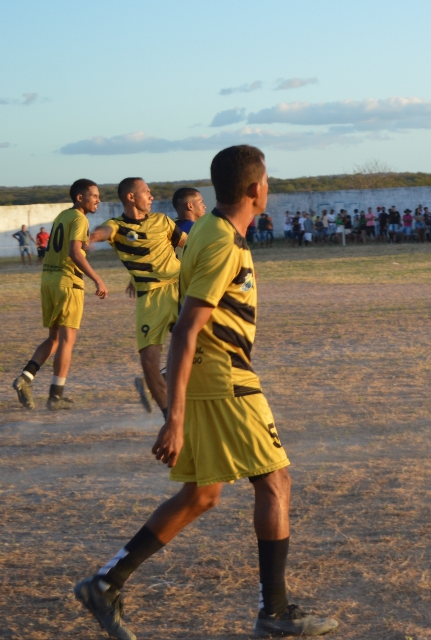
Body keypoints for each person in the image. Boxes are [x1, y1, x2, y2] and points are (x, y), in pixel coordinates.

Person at [74, 145, 338, 639]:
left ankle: (106, 584)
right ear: (255, 189)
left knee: (202, 493)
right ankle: (274, 611)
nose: (269, 187)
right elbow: (186, 330)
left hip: (209, 378)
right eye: (267, 181)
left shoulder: (210, 230)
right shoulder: (221, 242)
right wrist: (173, 418)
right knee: (275, 482)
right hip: (225, 379)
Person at [88, 178, 186, 417]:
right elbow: (105, 231)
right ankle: (169, 418)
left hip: (180, 289)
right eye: (147, 192)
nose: (152, 197)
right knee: (149, 361)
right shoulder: (118, 226)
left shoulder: (162, 221)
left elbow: (189, 243)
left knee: (201, 347)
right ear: (131, 197)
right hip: (150, 299)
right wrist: (92, 238)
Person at [12, 179, 109, 411]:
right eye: (94, 195)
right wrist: (97, 279)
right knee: (67, 340)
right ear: (80, 197)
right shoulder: (80, 218)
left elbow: (68, 246)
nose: (98, 199)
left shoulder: (62, 216)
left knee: (54, 338)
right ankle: (56, 395)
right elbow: (74, 252)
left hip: (49, 281)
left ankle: (25, 378)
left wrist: (85, 245)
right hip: (67, 283)